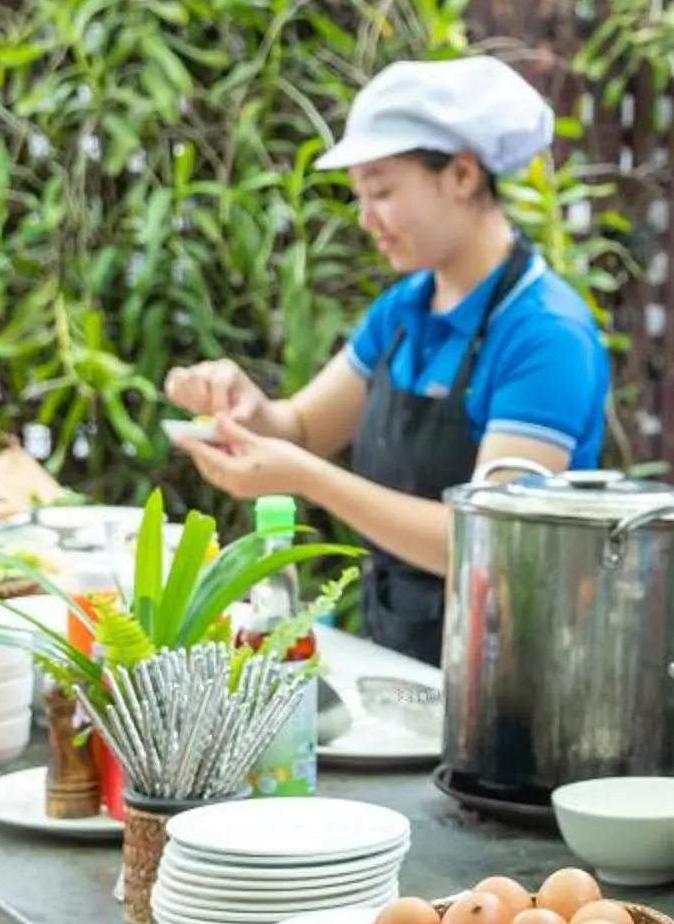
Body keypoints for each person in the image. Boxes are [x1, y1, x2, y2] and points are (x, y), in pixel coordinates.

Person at [168, 56, 609, 662]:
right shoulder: (404, 309)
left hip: (511, 672)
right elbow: (303, 429)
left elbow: (494, 545)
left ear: (461, 174)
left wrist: (305, 477)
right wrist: (243, 406)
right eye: (359, 196)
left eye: (381, 191)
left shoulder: (545, 334)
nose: (365, 217)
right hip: (402, 659)